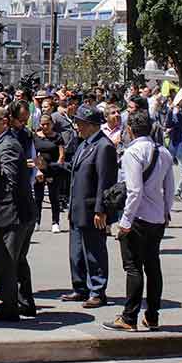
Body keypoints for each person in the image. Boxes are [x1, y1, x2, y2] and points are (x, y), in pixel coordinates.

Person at [104, 111, 175, 332]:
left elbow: (134, 191)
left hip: (138, 218)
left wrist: (125, 221)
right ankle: (152, 316)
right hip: (157, 217)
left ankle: (129, 316)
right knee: (153, 266)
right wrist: (165, 211)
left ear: (130, 130)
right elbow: (170, 188)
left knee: (133, 267)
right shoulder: (163, 152)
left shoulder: (132, 153)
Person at [0, 102, 37, 322]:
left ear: (3, 122)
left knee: (6, 261)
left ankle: (9, 307)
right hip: (17, 213)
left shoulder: (7, 145)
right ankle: (25, 303)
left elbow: (11, 180)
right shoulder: (0, 143)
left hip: (13, 214)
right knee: (18, 260)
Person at [65, 106, 117, 309]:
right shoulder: (84, 144)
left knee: (93, 251)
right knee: (76, 251)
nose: (77, 126)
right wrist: (49, 167)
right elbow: (73, 168)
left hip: (91, 209)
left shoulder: (104, 147)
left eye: (80, 123)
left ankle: (97, 290)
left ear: (91, 125)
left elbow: (106, 182)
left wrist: (101, 209)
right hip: (77, 207)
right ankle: (80, 287)